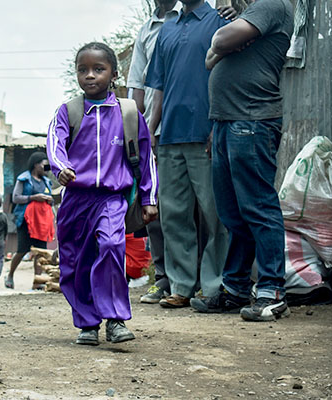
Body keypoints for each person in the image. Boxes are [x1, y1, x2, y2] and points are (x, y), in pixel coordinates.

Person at [47, 42, 158, 346]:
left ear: (113, 73)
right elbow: (54, 144)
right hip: (75, 201)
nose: (90, 76)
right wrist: (62, 168)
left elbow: (146, 156)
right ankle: (87, 323)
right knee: (76, 261)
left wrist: (149, 198)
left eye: (99, 69)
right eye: (83, 70)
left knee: (111, 246)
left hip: (111, 198)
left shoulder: (128, 113)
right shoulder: (68, 111)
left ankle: (115, 320)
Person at [191, 0, 293, 321]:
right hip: (225, 120)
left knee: (258, 206)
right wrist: (229, 40)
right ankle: (235, 289)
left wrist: (227, 41)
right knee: (232, 212)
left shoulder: (272, 4)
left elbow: (219, 43)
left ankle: (272, 291)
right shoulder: (248, 15)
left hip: (252, 119)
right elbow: (210, 58)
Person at [144, 0, 230, 309]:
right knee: (174, 214)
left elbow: (226, 76)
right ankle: (181, 286)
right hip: (169, 136)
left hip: (205, 131)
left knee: (215, 213)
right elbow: (159, 88)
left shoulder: (219, 21)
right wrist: (151, 130)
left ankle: (215, 285)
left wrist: (216, 126)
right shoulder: (167, 28)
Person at [126, 0, 180, 304]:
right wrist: (136, 131)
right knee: (154, 209)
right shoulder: (146, 30)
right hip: (151, 133)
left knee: (187, 210)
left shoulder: (192, 20)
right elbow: (137, 86)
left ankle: (190, 279)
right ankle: (163, 278)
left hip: (183, 126)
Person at [6, 151, 53, 289]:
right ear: (35, 165)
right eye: (44, 166)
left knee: (40, 251)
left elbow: (49, 200)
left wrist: (48, 200)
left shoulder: (47, 182)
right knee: (22, 249)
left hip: (42, 221)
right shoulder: (24, 179)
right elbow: (16, 197)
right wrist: (33, 197)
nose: (47, 169)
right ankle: (10, 275)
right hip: (26, 220)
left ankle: (37, 281)